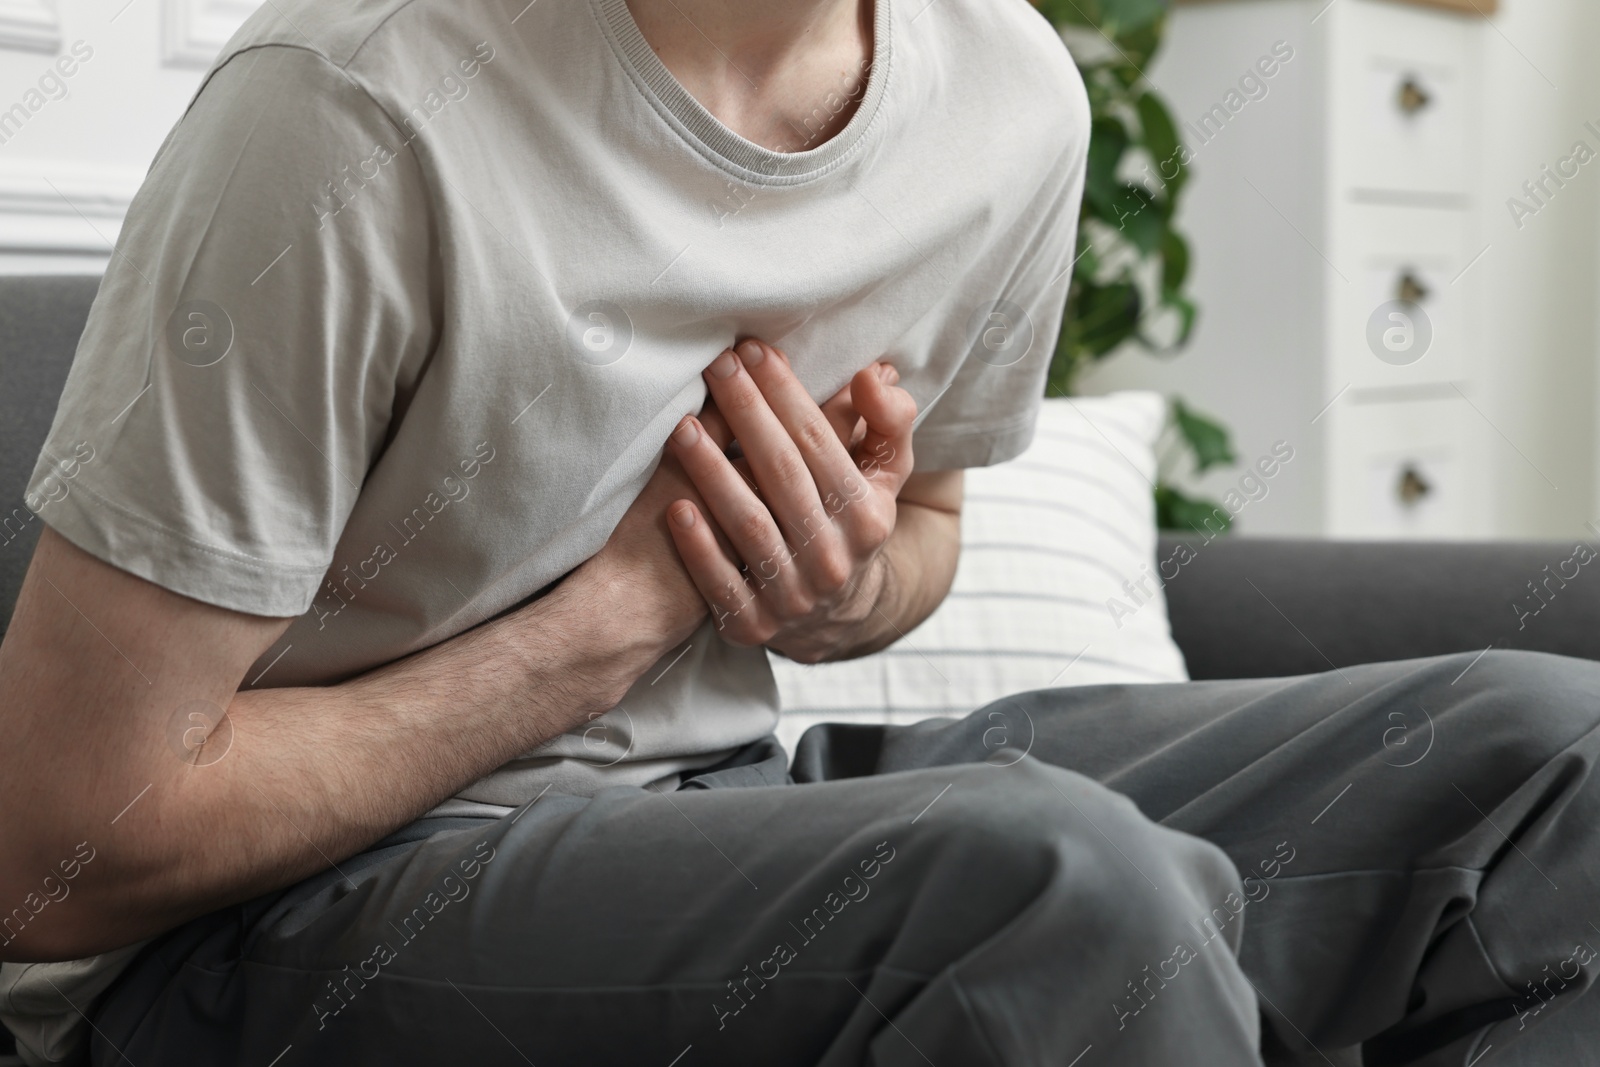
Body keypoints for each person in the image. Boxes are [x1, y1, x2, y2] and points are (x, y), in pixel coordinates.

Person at [0, 0, 1595, 1064]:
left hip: (713, 813)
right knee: (1062, 890)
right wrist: (599, 635)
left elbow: (932, 526)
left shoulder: (1010, 95)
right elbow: (54, 855)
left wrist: (837, 588)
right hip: (257, 946)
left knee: (1548, 756)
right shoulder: (355, 113)